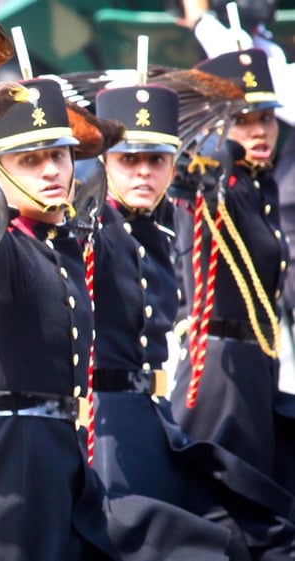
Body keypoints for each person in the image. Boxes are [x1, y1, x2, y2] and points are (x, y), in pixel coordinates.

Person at [93, 83, 295, 560]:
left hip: (154, 413)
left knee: (250, 528)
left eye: (158, 159)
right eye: (128, 159)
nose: (144, 171)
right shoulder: (90, 229)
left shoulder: (156, 224)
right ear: (103, 163)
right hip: (109, 427)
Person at [170, 48, 292, 490]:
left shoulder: (261, 183)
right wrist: (193, 171)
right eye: (242, 120)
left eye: (266, 118)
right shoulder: (215, 182)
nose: (259, 131)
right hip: (218, 368)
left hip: (257, 364)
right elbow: (190, 198)